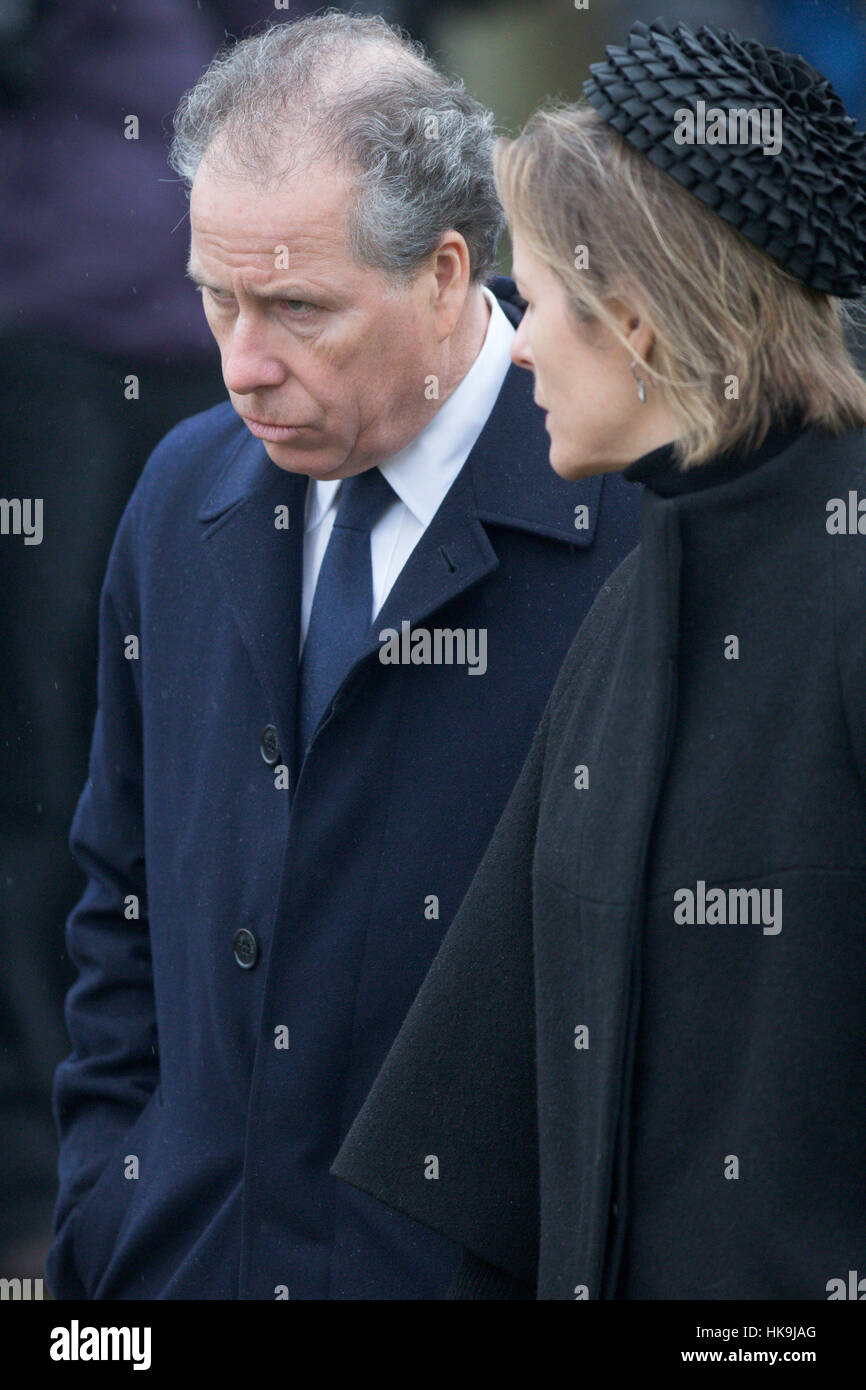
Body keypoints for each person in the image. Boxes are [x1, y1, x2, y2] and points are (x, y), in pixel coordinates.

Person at [45, 13, 640, 1300]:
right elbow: (118, 903)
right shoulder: (180, 491)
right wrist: (110, 1219)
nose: (244, 365)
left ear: (443, 273)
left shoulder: (636, 531)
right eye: (216, 299)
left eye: (298, 309)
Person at [332, 17, 866, 1300]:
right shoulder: (637, 602)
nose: (515, 341)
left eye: (545, 300)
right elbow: (500, 1125)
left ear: (636, 317)